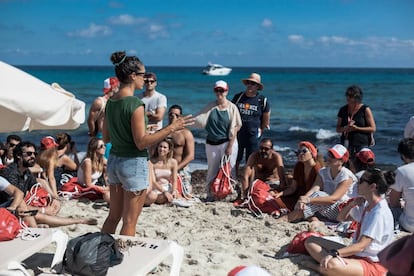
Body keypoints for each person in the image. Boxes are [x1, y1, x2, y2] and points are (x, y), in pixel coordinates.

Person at [101, 51, 194, 237]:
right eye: (143, 75)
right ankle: (122, 259)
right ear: (133, 76)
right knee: (130, 221)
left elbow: (106, 138)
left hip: (115, 161)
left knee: (113, 217)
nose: (145, 79)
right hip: (133, 163)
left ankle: (100, 252)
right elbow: (141, 142)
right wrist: (171, 128)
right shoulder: (135, 103)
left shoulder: (111, 102)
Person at [304, 168, 395, 276]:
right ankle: (330, 267)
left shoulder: (379, 213)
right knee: (311, 241)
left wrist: (335, 253)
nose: (357, 184)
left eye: (361, 181)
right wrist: (351, 205)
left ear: (372, 187)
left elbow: (362, 245)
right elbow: (340, 218)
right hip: (357, 253)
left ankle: (321, 268)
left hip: (373, 262)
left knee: (332, 264)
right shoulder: (368, 204)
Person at [193, 80, 242, 200]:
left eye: (222, 90)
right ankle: (211, 193)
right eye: (217, 90)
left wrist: (230, 146)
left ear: (226, 91)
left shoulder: (232, 107)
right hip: (211, 143)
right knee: (212, 169)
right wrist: (182, 122)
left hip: (227, 142)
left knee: (228, 169)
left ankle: (230, 193)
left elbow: (236, 127)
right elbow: (199, 119)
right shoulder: (211, 106)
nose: (219, 92)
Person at [287, 144, 357, 223]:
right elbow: (315, 188)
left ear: (341, 161)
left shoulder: (346, 176)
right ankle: (306, 218)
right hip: (328, 207)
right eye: (329, 155)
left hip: (342, 211)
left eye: (333, 156)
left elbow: (334, 199)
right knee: (313, 198)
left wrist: (308, 199)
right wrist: (303, 199)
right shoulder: (323, 171)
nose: (329, 158)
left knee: (318, 196)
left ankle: (287, 219)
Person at [1, 141, 61, 216]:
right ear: (19, 155)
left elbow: (38, 184)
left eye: (34, 154)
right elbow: (16, 203)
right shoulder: (10, 173)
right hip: (6, 207)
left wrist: (54, 198)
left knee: (41, 182)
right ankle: (77, 221)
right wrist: (43, 210)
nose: (33, 156)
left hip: (19, 206)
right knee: (38, 216)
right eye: (29, 154)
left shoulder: (26, 172)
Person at [232, 73, 270, 178]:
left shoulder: (262, 101)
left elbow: (266, 119)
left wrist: (260, 130)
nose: (250, 85)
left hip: (253, 136)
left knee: (251, 161)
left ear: (258, 86)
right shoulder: (238, 97)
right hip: (237, 134)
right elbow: (231, 113)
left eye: (253, 84)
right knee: (235, 159)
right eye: (248, 83)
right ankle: (233, 179)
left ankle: (249, 181)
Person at [273, 141, 324, 211]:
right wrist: (280, 194)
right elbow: (293, 188)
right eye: (299, 151)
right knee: (273, 198)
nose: (301, 154)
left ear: (312, 153)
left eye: (304, 151)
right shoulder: (299, 166)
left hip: (310, 199)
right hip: (297, 195)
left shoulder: (318, 169)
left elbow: (317, 190)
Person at [145, 139, 189, 207]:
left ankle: (171, 199)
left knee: (176, 194)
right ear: (157, 148)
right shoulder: (151, 162)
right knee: (152, 196)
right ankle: (168, 200)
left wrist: (174, 191)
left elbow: (174, 180)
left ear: (169, 150)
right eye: (160, 146)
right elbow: (153, 181)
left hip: (168, 187)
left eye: (165, 147)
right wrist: (164, 192)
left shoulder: (173, 162)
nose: (162, 149)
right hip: (156, 189)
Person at [336, 85, 376, 160]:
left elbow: (373, 128)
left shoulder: (365, 109)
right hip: (346, 142)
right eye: (347, 95)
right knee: (347, 164)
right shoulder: (343, 110)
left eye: (350, 95)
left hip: (361, 143)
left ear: (357, 97)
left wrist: (357, 128)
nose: (348, 97)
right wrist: (346, 128)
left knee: (361, 164)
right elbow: (338, 129)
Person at [167, 104, 195, 195]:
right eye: (171, 114)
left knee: (185, 193)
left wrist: (176, 169)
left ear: (180, 117)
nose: (173, 117)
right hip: (164, 167)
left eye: (176, 115)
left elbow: (190, 156)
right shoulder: (162, 132)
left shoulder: (186, 133)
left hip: (181, 168)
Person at [388, 138, 414, 233]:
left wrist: (401, 204)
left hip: (410, 225)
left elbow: (393, 202)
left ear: (403, 155)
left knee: (390, 208)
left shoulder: (402, 171)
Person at [76, 137, 110, 202]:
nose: (104, 148)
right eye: (101, 146)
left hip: (96, 184)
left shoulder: (101, 159)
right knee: (106, 193)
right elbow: (88, 184)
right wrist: (104, 188)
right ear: (95, 149)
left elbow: (112, 165)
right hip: (85, 187)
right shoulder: (88, 162)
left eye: (104, 145)